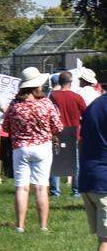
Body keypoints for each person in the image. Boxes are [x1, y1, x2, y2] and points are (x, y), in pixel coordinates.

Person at [3, 67, 63, 233]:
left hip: (21, 148)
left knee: (21, 187)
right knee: (41, 187)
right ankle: (43, 226)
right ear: (37, 85)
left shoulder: (14, 105)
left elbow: (6, 127)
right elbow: (58, 126)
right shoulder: (45, 103)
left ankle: (20, 226)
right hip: (42, 147)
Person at [77, 89, 107, 251]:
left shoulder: (94, 105)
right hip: (104, 180)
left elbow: (82, 141)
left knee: (104, 239)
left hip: (89, 178)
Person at [49, 70, 87, 198]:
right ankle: (76, 191)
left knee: (55, 162)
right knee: (76, 164)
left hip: (57, 133)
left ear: (59, 82)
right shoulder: (77, 97)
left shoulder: (53, 96)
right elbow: (86, 114)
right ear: (70, 82)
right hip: (74, 133)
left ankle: (55, 192)